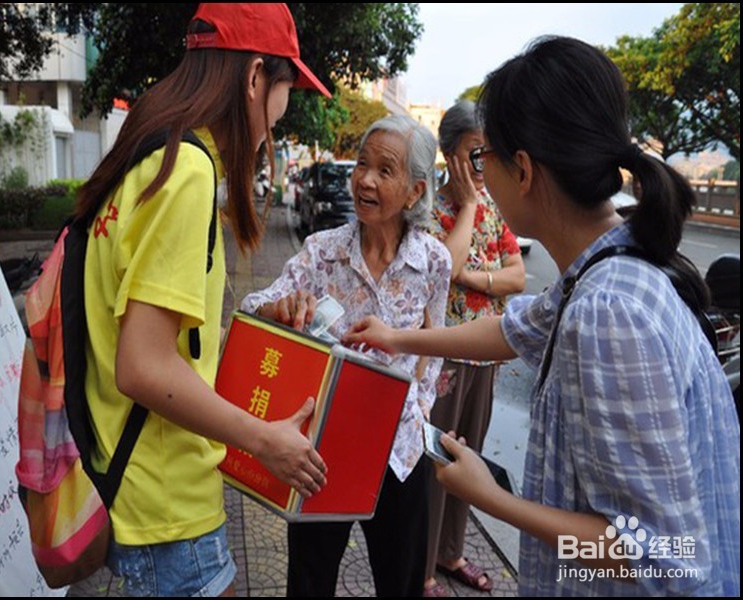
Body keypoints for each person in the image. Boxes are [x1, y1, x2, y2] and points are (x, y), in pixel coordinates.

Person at [344, 36, 740, 597]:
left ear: (522, 170)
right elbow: (510, 328)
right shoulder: (602, 268)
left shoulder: (609, 314)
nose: (481, 176)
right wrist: (397, 336)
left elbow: (661, 558)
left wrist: (494, 499)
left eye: (485, 159)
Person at [76, 4, 332, 597]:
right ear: (254, 77)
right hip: (169, 508)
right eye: (285, 87)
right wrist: (265, 440)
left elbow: (142, 337)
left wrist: (244, 329)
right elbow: (143, 366)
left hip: (133, 485)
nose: (281, 112)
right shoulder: (187, 172)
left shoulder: (144, 155)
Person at [241, 115, 452, 597]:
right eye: (362, 164)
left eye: (385, 169)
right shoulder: (322, 252)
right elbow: (251, 308)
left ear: (415, 191)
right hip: (322, 451)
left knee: (399, 581)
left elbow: (435, 344)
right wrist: (280, 307)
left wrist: (419, 411)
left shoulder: (434, 262)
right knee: (310, 580)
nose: (365, 179)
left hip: (400, 452)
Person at [423, 101, 525, 597]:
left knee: (470, 458)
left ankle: (451, 552)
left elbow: (519, 276)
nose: (483, 166)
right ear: (449, 154)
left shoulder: (494, 210)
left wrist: (472, 276)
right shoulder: (428, 209)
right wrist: (464, 212)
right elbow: (442, 270)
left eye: (488, 155)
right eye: (474, 154)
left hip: (484, 354)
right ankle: (421, 566)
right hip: (440, 355)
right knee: (434, 463)